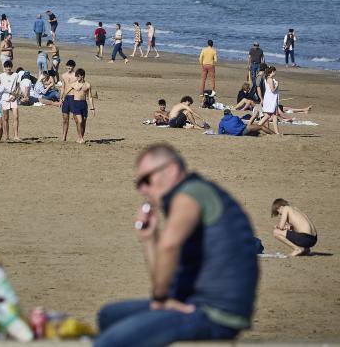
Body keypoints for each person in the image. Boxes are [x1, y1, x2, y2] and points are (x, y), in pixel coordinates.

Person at [95, 144, 259, 347]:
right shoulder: (191, 195)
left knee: (109, 343)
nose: (142, 189)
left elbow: (168, 248)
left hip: (215, 314)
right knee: (108, 316)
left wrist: (161, 298)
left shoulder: (191, 193)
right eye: (138, 183)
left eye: (147, 180)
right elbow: (164, 276)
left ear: (171, 170)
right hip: (194, 304)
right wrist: (149, 239)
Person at [61, 64, 95, 143]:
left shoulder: (87, 85)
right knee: (79, 121)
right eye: (76, 76)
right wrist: (62, 98)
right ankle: (80, 137)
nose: (77, 78)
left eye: (78, 76)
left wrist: (92, 108)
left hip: (84, 104)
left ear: (82, 76)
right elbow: (66, 91)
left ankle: (81, 137)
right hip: (76, 104)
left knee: (84, 121)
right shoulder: (74, 84)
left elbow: (90, 97)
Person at [0, 60, 21, 141]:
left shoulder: (16, 75)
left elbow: (18, 86)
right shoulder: (0, 76)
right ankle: (6, 136)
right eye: (6, 67)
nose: (8, 68)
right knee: (5, 118)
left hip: (13, 98)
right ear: (4, 68)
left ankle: (16, 135)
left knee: (16, 117)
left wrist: (15, 96)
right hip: (4, 99)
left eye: (9, 66)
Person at [257, 66, 281, 135]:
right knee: (270, 115)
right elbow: (272, 90)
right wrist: (277, 85)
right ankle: (256, 127)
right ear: (272, 72)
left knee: (272, 115)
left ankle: (276, 132)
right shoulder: (270, 79)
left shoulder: (269, 78)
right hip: (271, 99)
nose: (275, 73)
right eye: (274, 71)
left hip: (272, 98)